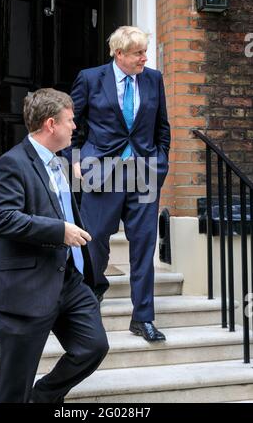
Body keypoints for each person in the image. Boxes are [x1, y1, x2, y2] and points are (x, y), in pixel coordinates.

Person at [0, 88, 109, 403]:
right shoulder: (11, 164)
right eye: (70, 121)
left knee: (93, 346)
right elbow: (3, 219)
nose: (75, 127)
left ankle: (43, 397)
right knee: (14, 383)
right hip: (23, 285)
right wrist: (59, 231)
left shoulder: (58, 164)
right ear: (51, 124)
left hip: (67, 281)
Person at [66, 26, 171, 342]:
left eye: (145, 51)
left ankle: (142, 318)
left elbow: (162, 127)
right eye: (138, 52)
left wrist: (160, 163)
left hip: (144, 171)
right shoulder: (91, 78)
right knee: (95, 239)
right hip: (102, 169)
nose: (144, 57)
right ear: (119, 54)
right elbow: (70, 120)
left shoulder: (153, 79)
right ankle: (92, 299)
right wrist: (73, 158)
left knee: (144, 245)